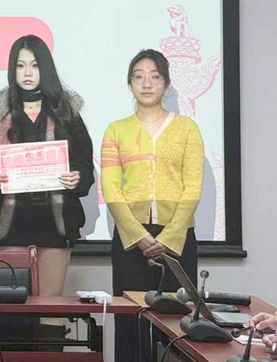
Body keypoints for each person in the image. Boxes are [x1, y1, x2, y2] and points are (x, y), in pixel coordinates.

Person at [101, 49, 204, 362]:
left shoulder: (187, 128)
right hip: (131, 241)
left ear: (166, 83)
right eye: (138, 77)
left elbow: (193, 186)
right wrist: (138, 235)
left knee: (177, 325)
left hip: (177, 240)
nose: (146, 84)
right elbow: (111, 188)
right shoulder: (116, 129)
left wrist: (170, 237)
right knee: (129, 323)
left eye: (155, 76)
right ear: (129, 83)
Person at [0, 35, 95, 301]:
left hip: (55, 223)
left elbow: (85, 165)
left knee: (49, 306)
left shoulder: (66, 113)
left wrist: (78, 178)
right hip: (11, 224)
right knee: (13, 308)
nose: (27, 73)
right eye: (20, 65)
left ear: (45, 68)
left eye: (35, 65)